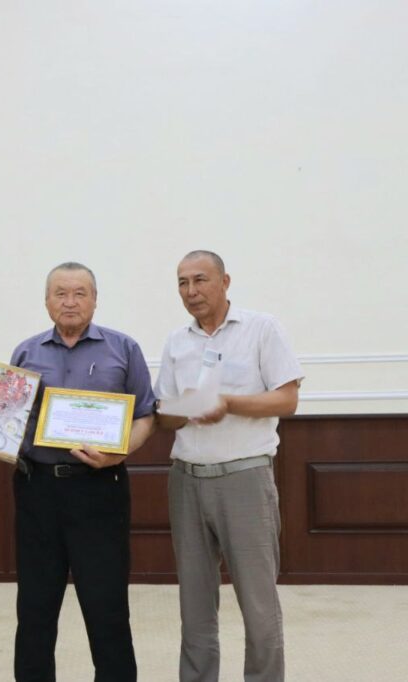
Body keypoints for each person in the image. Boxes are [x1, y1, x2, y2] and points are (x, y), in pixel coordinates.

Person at [0, 262, 156, 682]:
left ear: (95, 300)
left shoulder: (124, 349)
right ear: (46, 301)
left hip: (100, 490)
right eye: (61, 293)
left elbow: (145, 416)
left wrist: (119, 453)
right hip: (38, 492)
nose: (70, 302)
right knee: (35, 608)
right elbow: (4, 428)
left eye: (80, 293)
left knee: (106, 607)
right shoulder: (26, 353)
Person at [154, 250, 303, 682]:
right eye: (182, 283)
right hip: (186, 479)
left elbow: (288, 399)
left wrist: (228, 403)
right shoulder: (176, 341)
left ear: (225, 282)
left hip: (245, 478)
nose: (191, 291)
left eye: (200, 280)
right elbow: (164, 415)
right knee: (194, 606)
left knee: (258, 605)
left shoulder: (261, 329)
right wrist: (186, 408)